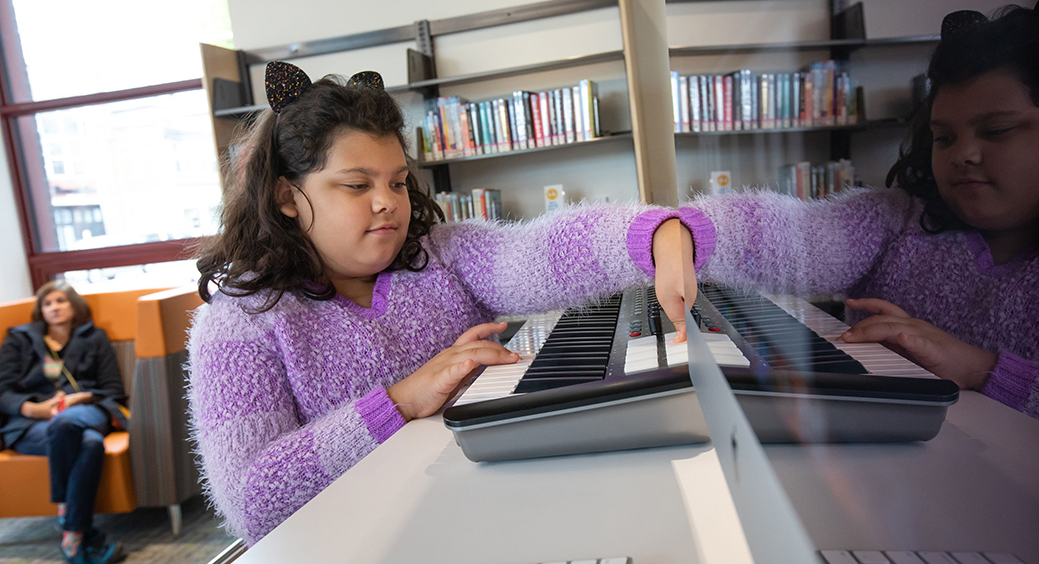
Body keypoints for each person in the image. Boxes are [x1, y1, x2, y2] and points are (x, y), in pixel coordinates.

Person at [187, 62, 683, 545]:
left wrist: (649, 235)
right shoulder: (238, 321)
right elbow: (252, 499)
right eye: (358, 185)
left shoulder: (440, 254)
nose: (388, 201)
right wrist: (399, 402)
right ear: (286, 196)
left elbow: (539, 254)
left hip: (483, 518)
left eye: (397, 182)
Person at [655, 0, 1039, 438]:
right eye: (944, 137)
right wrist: (687, 233)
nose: (963, 155)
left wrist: (981, 370)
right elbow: (796, 234)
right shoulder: (896, 220)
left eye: (996, 131)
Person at [0, 281, 127, 564]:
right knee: (91, 444)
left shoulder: (95, 338)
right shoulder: (18, 340)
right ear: (40, 311)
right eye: (47, 303)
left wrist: (77, 398)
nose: (54, 307)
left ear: (74, 305)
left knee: (66, 423)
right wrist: (34, 409)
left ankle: (65, 512)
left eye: (60, 301)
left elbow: (113, 390)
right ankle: (77, 535)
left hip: (85, 409)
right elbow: (3, 391)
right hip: (30, 421)